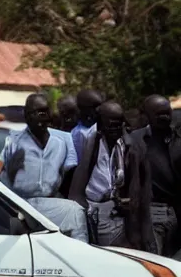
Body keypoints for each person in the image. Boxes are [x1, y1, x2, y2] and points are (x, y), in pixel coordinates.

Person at [0, 93, 87, 242]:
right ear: (27, 116)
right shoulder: (14, 141)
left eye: (44, 111)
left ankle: (81, 257)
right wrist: (10, 171)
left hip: (49, 202)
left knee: (75, 211)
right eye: (36, 112)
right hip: (19, 203)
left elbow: (69, 175)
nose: (41, 117)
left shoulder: (62, 142)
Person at [69, 101, 155, 251]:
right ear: (101, 124)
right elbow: (77, 190)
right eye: (110, 125)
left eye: (118, 125)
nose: (114, 129)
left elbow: (138, 182)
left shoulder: (127, 146)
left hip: (117, 212)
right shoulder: (93, 142)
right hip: (95, 209)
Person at [130, 95, 181, 257]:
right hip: (153, 211)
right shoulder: (136, 140)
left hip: (178, 211)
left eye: (167, 112)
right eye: (158, 114)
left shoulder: (178, 138)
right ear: (147, 116)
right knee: (155, 262)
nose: (164, 117)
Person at [71, 89, 105, 162]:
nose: (99, 110)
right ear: (84, 109)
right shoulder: (79, 133)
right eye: (95, 107)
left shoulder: (101, 126)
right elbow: (79, 160)